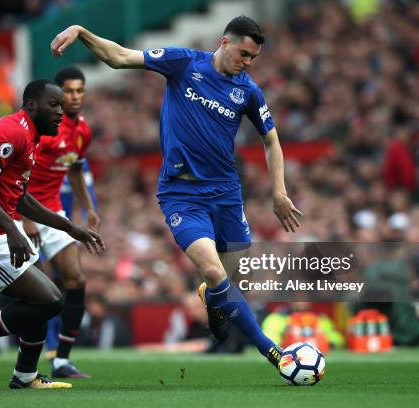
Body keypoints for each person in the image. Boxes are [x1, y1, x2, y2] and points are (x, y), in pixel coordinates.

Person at [50, 16, 302, 369]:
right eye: (244, 54)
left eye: (253, 58)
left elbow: (271, 140)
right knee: (216, 275)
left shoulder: (247, 91)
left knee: (232, 279)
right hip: (181, 196)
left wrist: (279, 192)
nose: (247, 63)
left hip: (227, 194)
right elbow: (120, 57)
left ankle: (212, 300)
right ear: (225, 42)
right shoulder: (184, 63)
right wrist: (81, 32)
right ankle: (274, 353)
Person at [0, 79, 104, 390]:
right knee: (49, 300)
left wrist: (70, 227)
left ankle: (25, 377)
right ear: (32, 104)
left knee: (41, 298)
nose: (60, 111)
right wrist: (11, 229)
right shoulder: (11, 131)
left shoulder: (31, 138)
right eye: (54, 104)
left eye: (61, 105)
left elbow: (20, 198)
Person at [21, 66, 99, 378]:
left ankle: (62, 360)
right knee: (38, 293)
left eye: (80, 91)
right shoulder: (43, 130)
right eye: (69, 91)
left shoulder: (83, 131)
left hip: (53, 213)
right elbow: (17, 170)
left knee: (76, 280)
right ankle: (25, 364)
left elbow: (76, 168)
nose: (75, 97)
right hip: (20, 213)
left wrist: (89, 208)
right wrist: (26, 217)